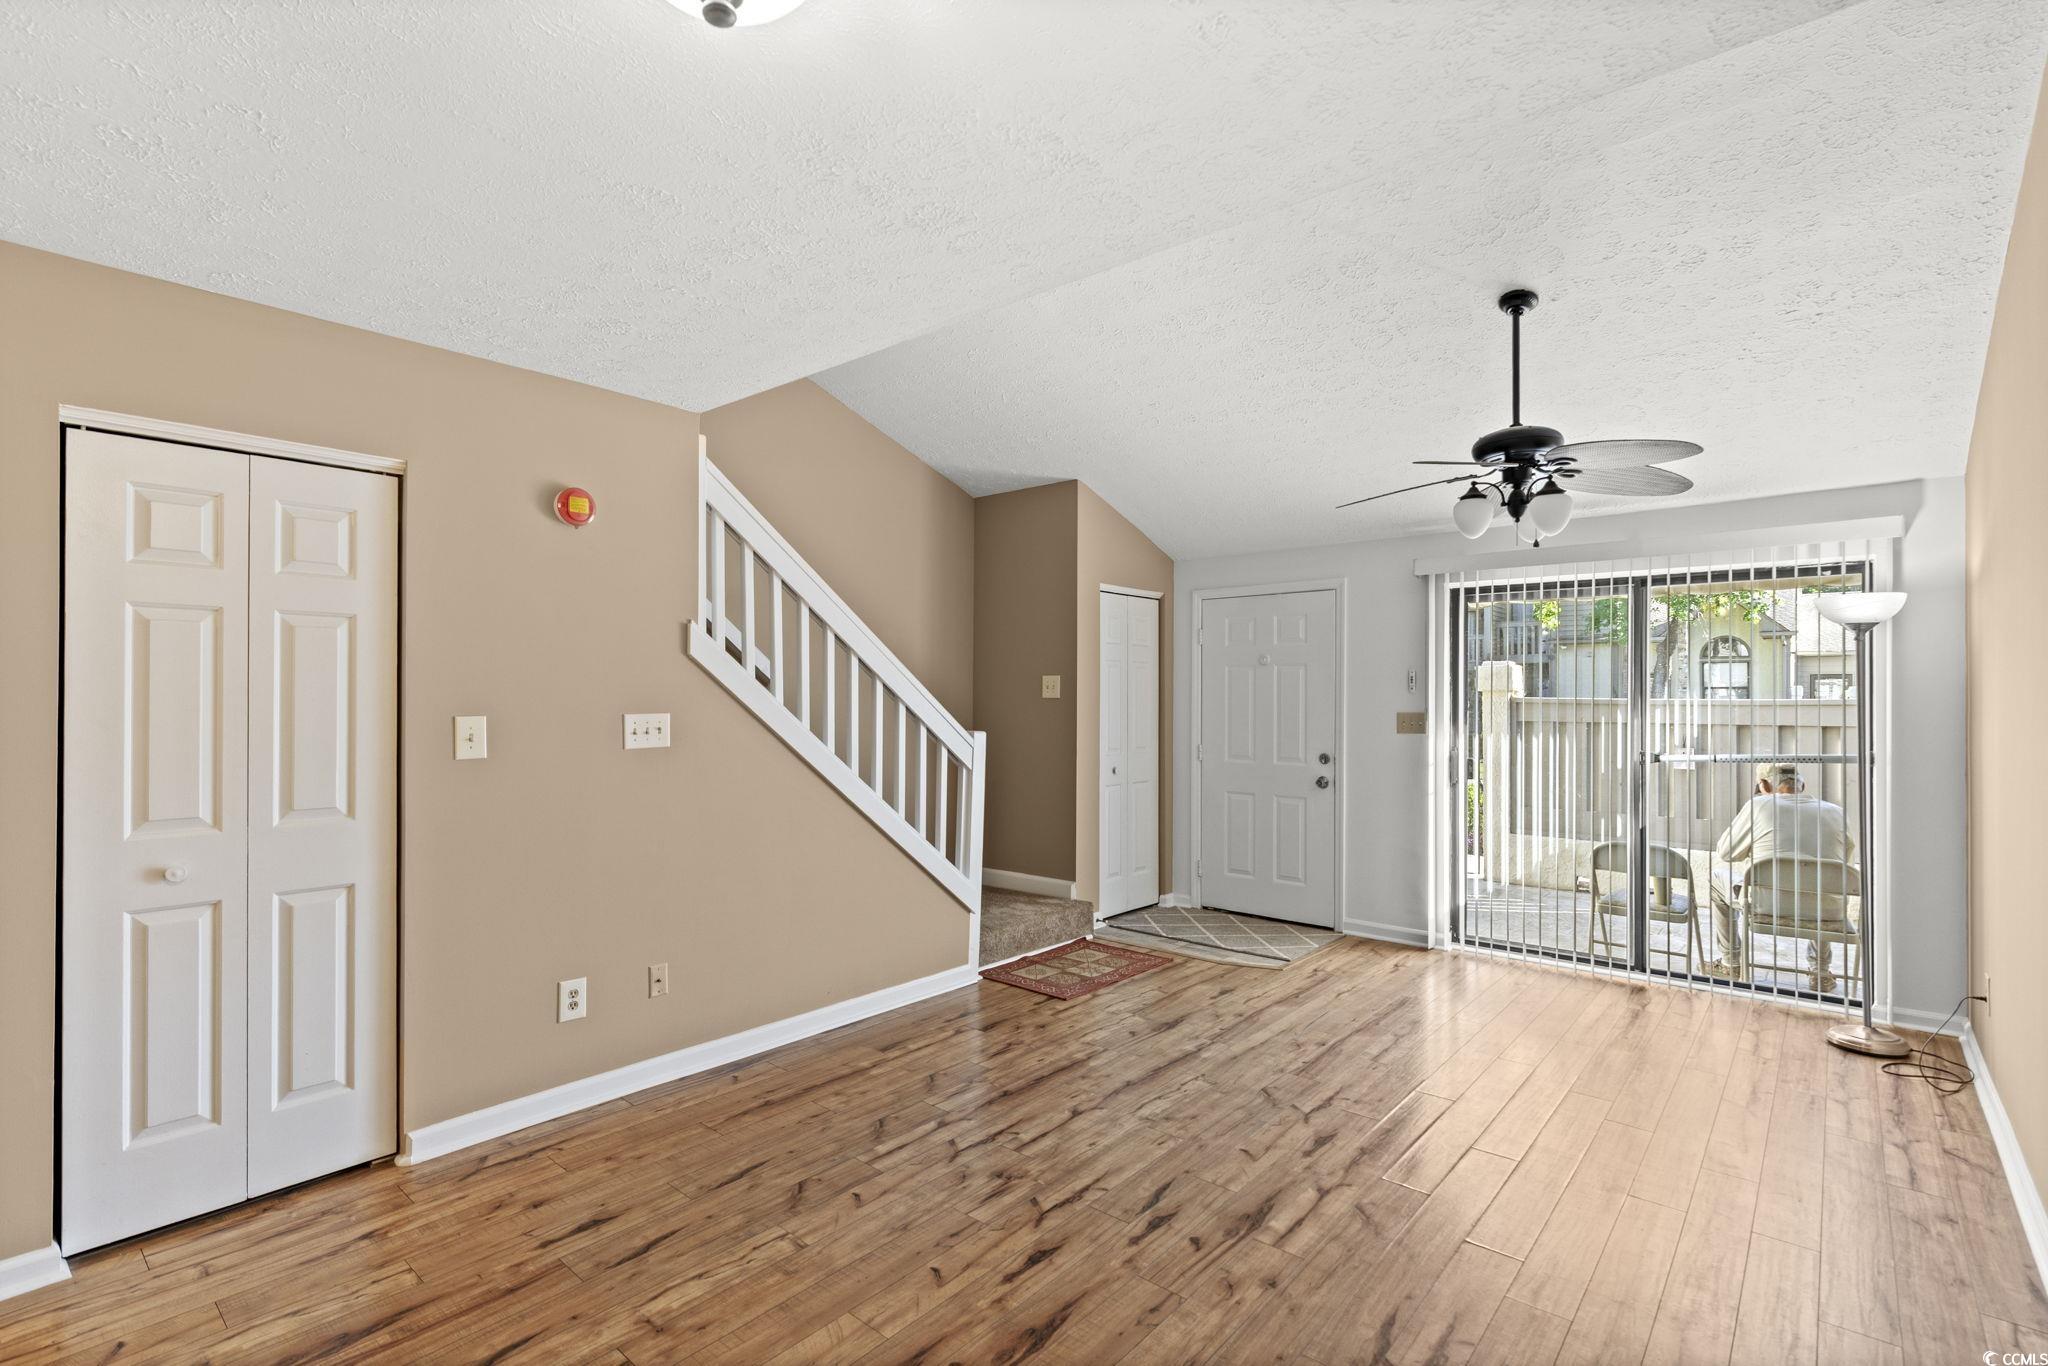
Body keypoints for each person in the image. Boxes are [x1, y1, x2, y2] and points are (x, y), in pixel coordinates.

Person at [1705, 761, 1856, 987]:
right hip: (1828, 911)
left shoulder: (1759, 806)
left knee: (1716, 878)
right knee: (1823, 886)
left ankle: (1731, 963)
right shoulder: (1837, 813)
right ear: (1802, 786)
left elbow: (1725, 852)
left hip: (1766, 904)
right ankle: (1821, 972)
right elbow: (1845, 862)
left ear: (1764, 785)